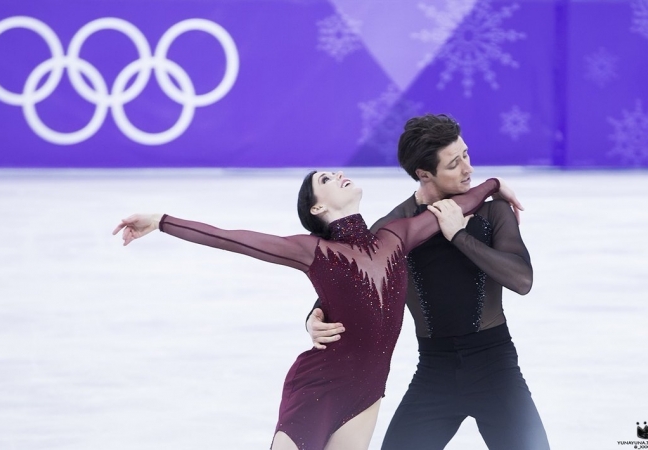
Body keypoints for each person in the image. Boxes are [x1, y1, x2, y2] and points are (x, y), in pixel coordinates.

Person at [113, 169, 503, 450]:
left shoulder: (395, 236)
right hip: (317, 386)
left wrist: (494, 185)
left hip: (367, 393)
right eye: (326, 180)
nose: (338, 175)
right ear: (317, 208)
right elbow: (234, 240)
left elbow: (459, 204)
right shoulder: (314, 251)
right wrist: (161, 221)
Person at [306, 113, 550, 450]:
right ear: (424, 174)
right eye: (454, 163)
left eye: (466, 155)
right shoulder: (394, 229)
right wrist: (315, 316)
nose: (468, 169)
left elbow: (522, 280)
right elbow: (348, 277)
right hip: (435, 375)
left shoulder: (494, 213)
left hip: (496, 370)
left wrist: (460, 236)